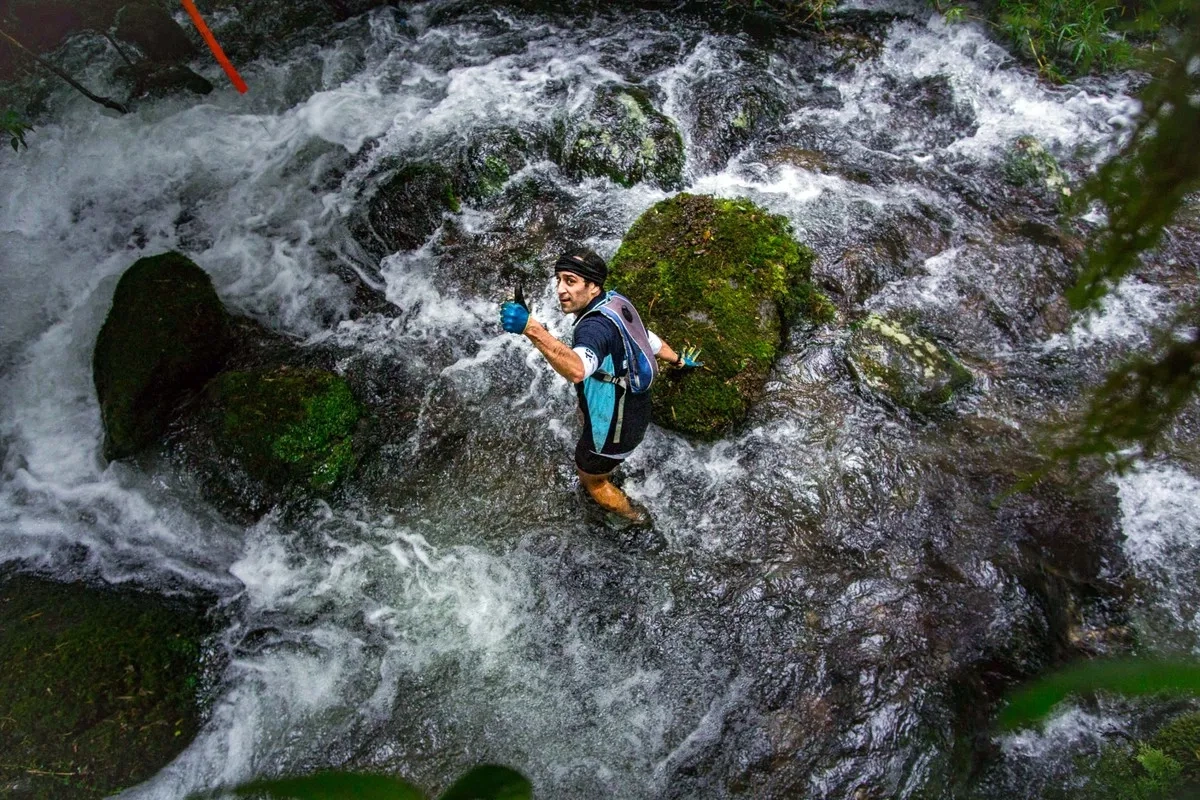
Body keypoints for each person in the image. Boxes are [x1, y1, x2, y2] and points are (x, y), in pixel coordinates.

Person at [499, 248, 702, 522]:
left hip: (615, 428)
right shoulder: (616, 304)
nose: (560, 289)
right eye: (559, 279)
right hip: (634, 407)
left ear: (593, 286)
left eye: (571, 281)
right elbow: (649, 340)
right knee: (591, 426)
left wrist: (531, 328)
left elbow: (577, 369)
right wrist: (679, 361)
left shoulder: (593, 329)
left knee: (592, 480)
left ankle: (637, 519)